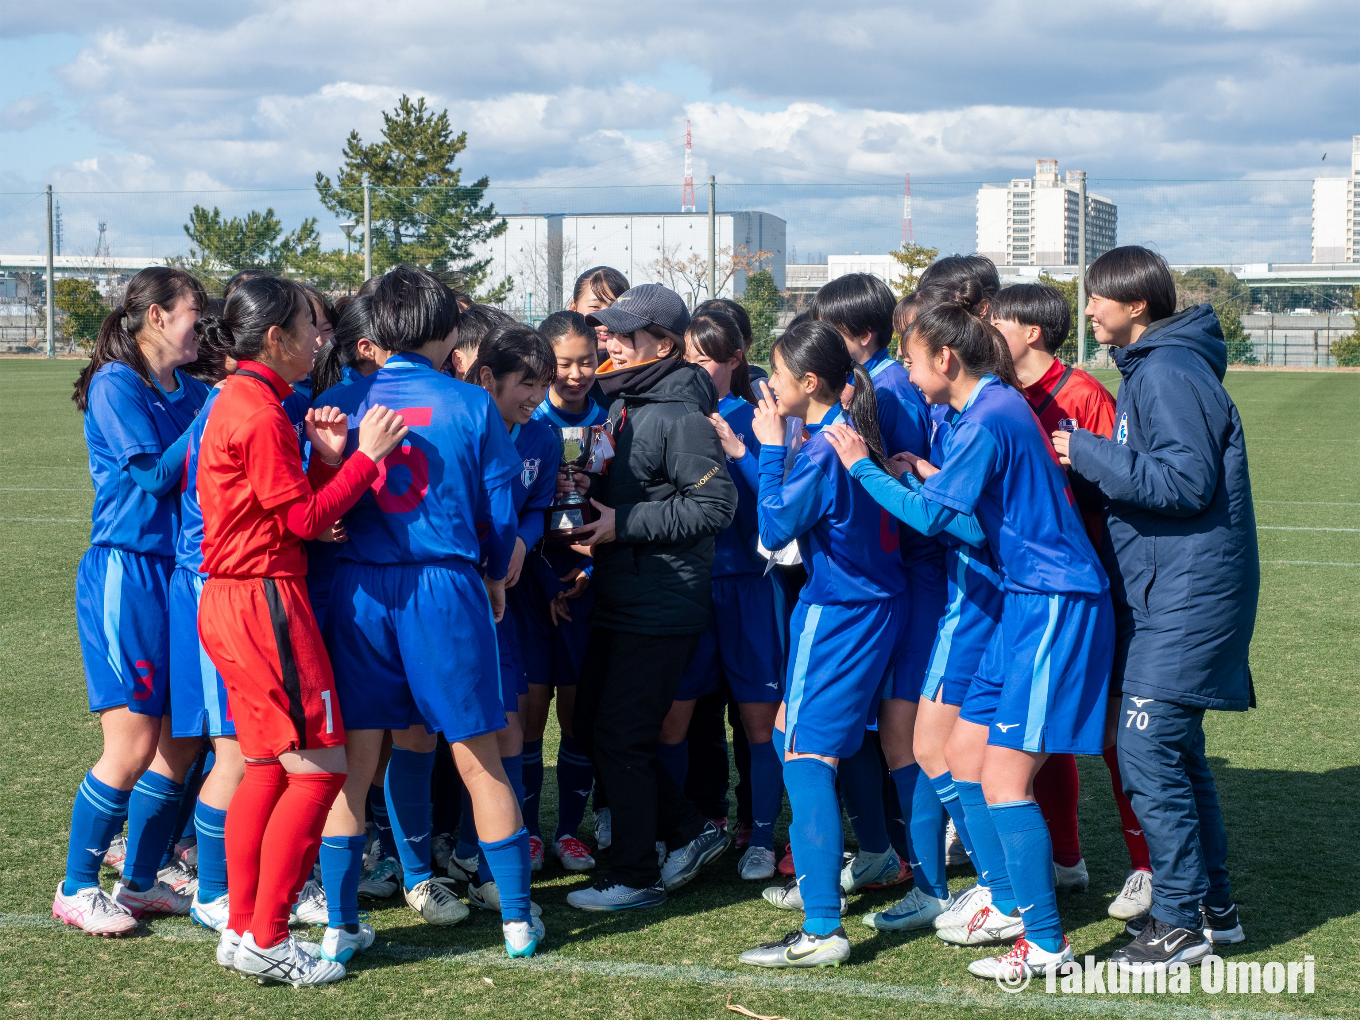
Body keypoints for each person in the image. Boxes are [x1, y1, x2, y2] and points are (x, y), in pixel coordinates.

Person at [823, 286, 1114, 982]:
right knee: (959, 750)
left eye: (914, 358)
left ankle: (1044, 941)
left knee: (1007, 778)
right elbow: (974, 521)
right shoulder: (985, 411)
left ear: (946, 358)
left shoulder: (987, 416)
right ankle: (1008, 898)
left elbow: (933, 523)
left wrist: (861, 465)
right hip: (1021, 600)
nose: (907, 371)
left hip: (1053, 603)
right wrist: (931, 478)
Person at [316, 266, 545, 959]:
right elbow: (498, 514)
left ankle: (339, 923)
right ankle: (515, 920)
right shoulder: (470, 404)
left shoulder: (339, 399)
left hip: (357, 590)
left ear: (375, 331)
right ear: (450, 332)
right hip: (442, 589)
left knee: (353, 767)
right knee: (480, 760)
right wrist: (492, 572)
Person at [194, 275, 408, 985]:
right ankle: (268, 935)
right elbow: (306, 522)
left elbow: (281, 504)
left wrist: (321, 461)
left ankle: (244, 924)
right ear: (275, 338)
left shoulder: (250, 400)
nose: (324, 338)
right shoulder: (254, 409)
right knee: (320, 772)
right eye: (311, 327)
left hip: (238, 598)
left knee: (263, 768)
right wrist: (367, 458)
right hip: (264, 603)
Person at [1055, 246, 1257, 970]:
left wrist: (1085, 451)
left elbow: (1185, 484)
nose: (1087, 311)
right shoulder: (1160, 367)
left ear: (1135, 306)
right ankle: (1214, 909)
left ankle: (1176, 923)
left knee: (1146, 752)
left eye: (1096, 299)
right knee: (1177, 755)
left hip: (1186, 596)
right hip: (1171, 589)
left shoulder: (1168, 372)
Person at [735, 320, 906, 970]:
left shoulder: (820, 448)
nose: (769, 388)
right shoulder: (847, 430)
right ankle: (878, 853)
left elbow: (776, 525)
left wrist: (770, 446)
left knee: (804, 756)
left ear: (808, 383)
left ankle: (822, 927)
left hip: (839, 613)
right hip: (873, 604)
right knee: (799, 734)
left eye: (776, 376)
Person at [565, 283, 737, 911]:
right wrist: (590, 485)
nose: (604, 339)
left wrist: (624, 523)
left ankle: (635, 876)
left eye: (620, 332)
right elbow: (644, 489)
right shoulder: (628, 403)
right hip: (624, 592)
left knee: (621, 734)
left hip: (662, 601)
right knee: (591, 726)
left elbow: (716, 504)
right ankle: (690, 831)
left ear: (662, 344)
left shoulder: (679, 412)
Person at [55, 267, 212, 937]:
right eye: (192, 316)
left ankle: (141, 882)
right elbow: (150, 477)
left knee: (181, 737)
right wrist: (212, 414)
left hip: (180, 573)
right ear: (154, 317)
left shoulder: (199, 388)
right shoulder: (118, 385)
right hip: (126, 571)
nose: (201, 329)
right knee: (132, 740)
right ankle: (76, 886)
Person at [991, 282, 1154, 916]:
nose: (985, 333)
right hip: (1029, 585)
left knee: (1115, 732)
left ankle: (1145, 866)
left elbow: (1124, 486)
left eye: (996, 322)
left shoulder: (1083, 395)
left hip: (1091, 584)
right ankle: (1066, 857)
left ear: (1031, 331)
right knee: (1043, 730)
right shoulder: (1003, 397)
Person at [811, 273, 939, 895]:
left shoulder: (884, 391)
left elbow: (902, 496)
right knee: (880, 730)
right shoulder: (885, 381)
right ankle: (892, 854)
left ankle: (918, 866)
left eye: (828, 330)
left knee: (897, 733)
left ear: (860, 335)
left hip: (891, 583)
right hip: (886, 581)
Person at [687, 311, 790, 881]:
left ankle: (763, 835)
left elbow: (773, 512)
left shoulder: (760, 416)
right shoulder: (674, 416)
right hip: (692, 585)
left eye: (708, 357)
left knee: (759, 721)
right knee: (680, 716)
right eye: (690, 357)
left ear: (733, 362)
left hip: (751, 585)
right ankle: (687, 829)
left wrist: (737, 448)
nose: (698, 368)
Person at [460, 322, 558, 911]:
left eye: (541, 387)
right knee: (421, 736)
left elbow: (538, 507)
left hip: (501, 601)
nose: (536, 398)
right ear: (489, 377)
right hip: (449, 594)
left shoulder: (541, 439)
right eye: (528, 384)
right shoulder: (459, 422)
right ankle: (425, 855)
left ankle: (495, 859)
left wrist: (521, 540)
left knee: (509, 728)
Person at [521, 310, 609, 873]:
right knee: (529, 717)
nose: (575, 374)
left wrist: (590, 572)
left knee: (579, 716)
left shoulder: (615, 419)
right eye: (563, 363)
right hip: (530, 583)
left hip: (587, 586)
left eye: (585, 361)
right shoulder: (528, 422)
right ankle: (527, 833)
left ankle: (570, 832)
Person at [568, 265, 629, 357]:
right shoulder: (550, 359)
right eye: (595, 307)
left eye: (615, 307)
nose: (605, 317)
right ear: (573, 308)